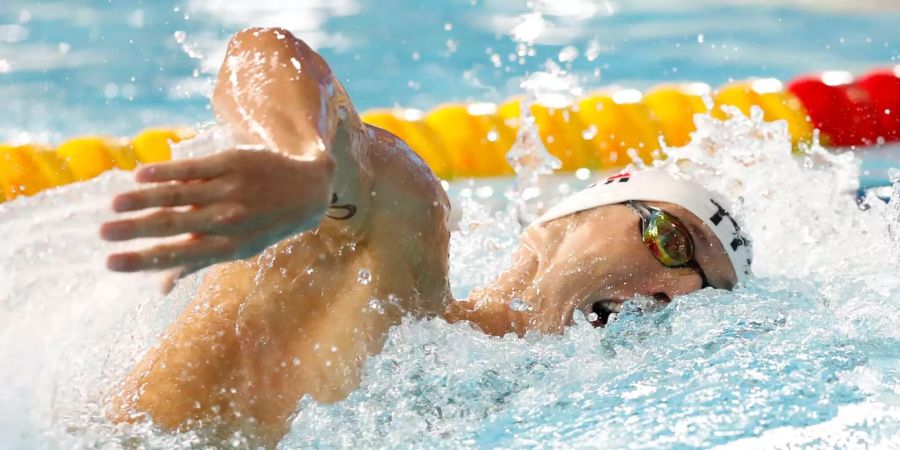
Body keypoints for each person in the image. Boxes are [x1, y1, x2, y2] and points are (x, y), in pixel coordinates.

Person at [100, 27, 752, 447]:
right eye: (671, 240)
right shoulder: (399, 236)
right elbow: (264, 51)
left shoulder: (500, 396)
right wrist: (303, 163)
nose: (671, 290)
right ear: (585, 208)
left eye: (700, 292)